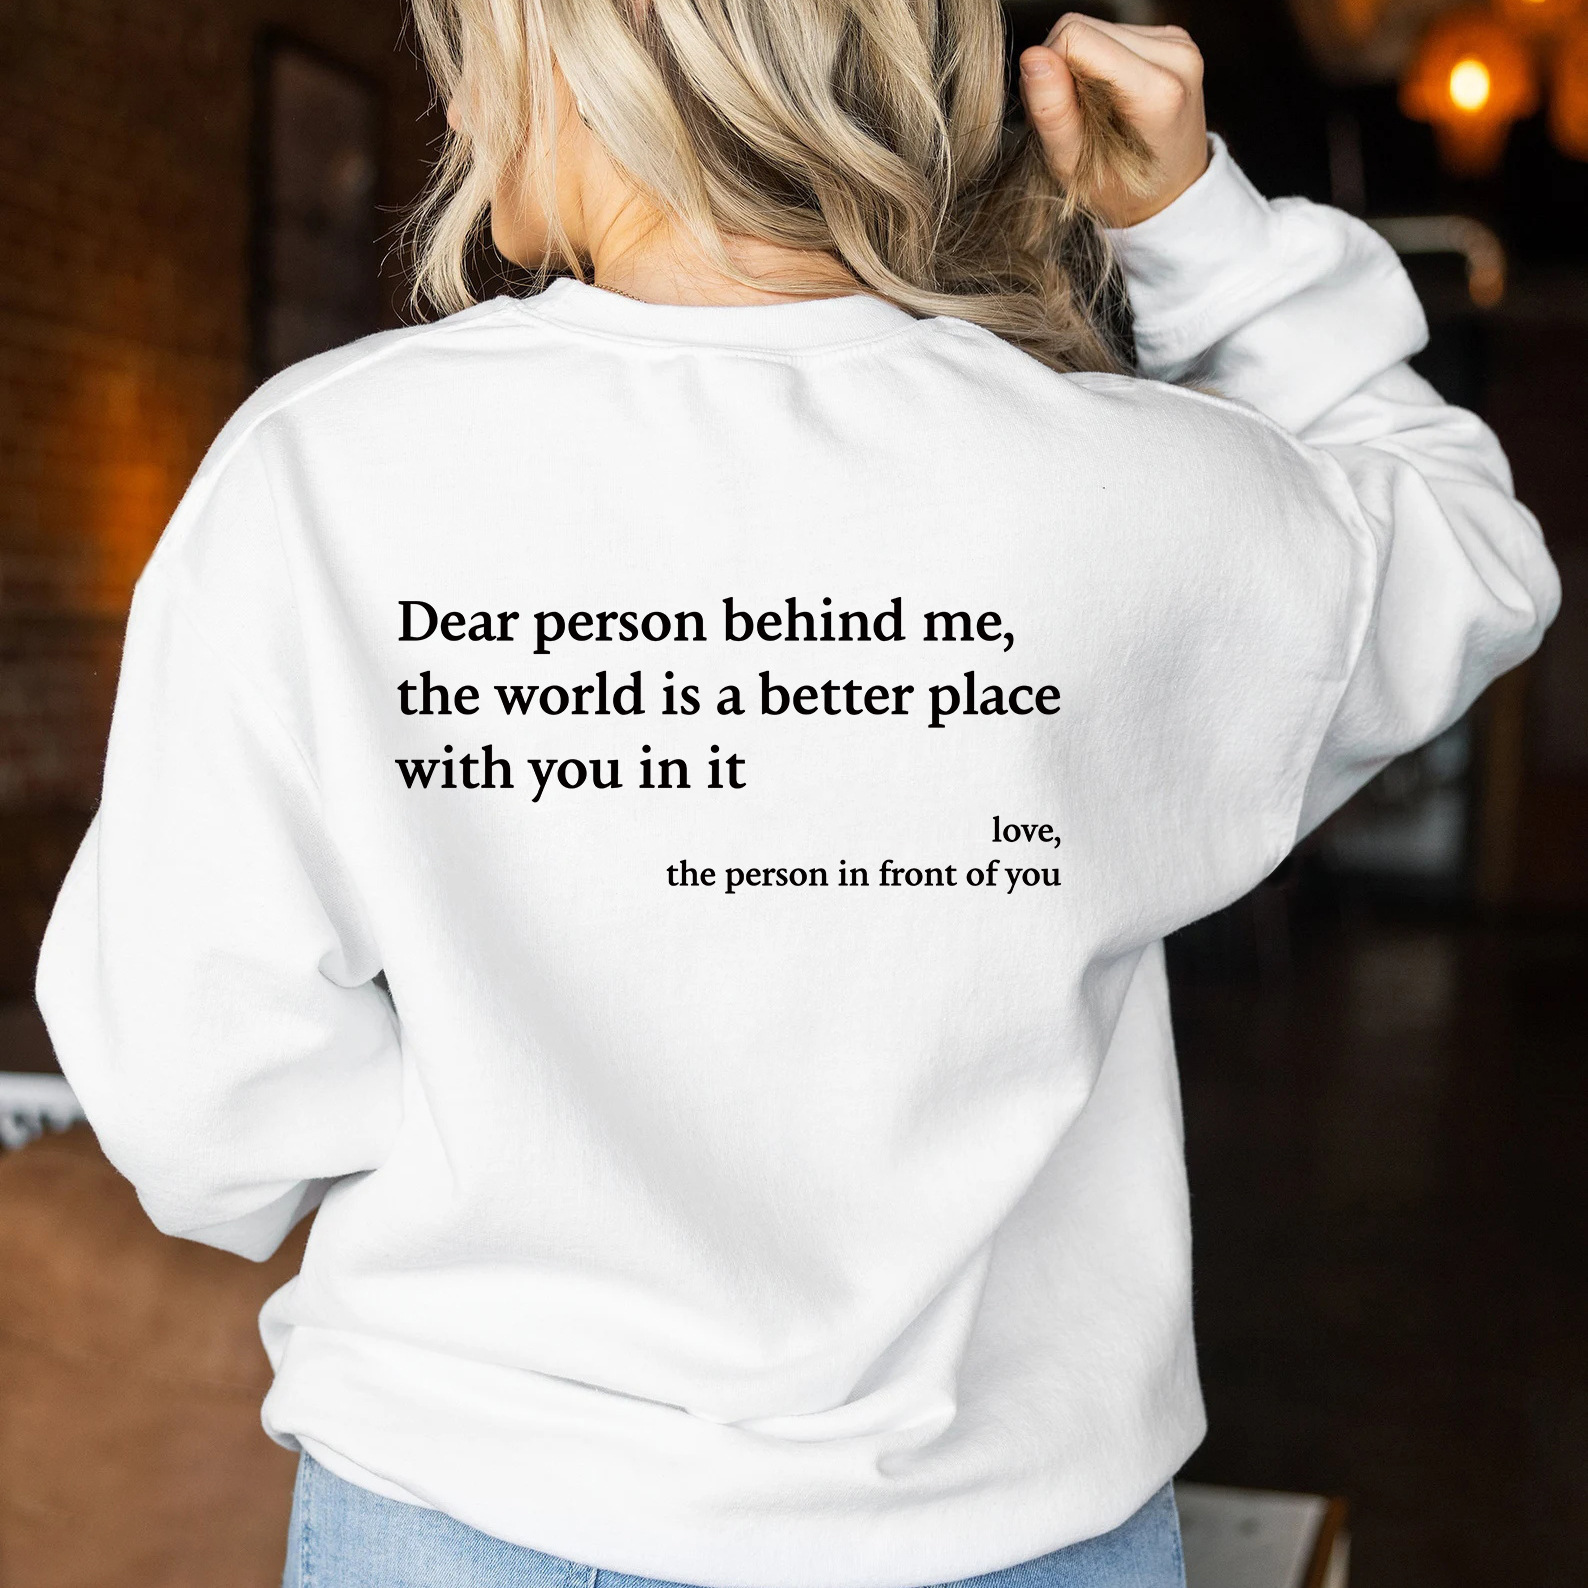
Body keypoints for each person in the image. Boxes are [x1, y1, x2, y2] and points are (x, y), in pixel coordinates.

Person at [38, 2, 1556, 1585]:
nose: (463, 108)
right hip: (1009, 1531)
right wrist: (1197, 229)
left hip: (462, 1510)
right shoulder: (1126, 487)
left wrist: (513, 1128)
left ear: (580, 51)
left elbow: (202, 1108)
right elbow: (1473, 560)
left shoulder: (322, 473)